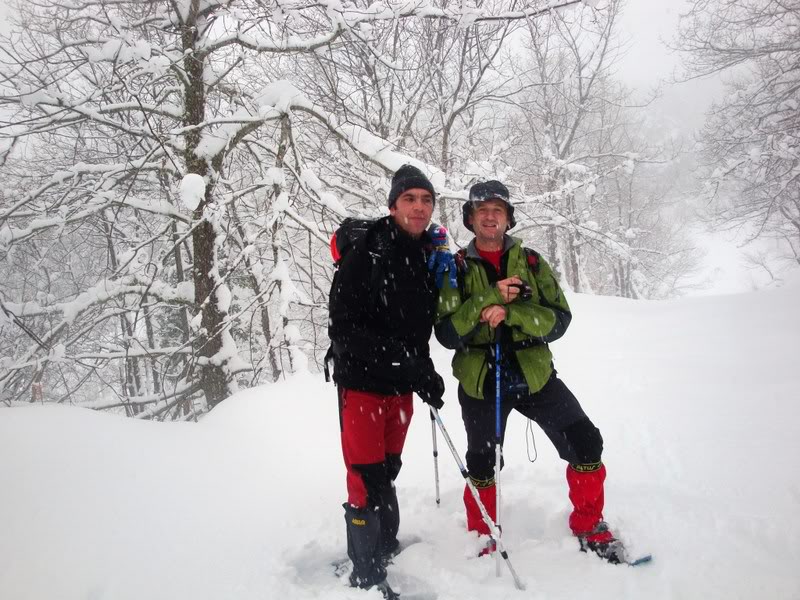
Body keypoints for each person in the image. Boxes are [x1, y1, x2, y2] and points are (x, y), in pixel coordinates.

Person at [435, 180, 625, 564]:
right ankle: (483, 532)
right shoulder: (454, 266)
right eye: (482, 210)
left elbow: (559, 319)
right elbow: (448, 332)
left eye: (498, 210)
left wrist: (513, 313)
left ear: (508, 218)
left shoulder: (533, 263)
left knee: (586, 443)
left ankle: (589, 525)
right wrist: (490, 299)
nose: (490, 216)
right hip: (481, 381)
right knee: (483, 463)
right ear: (470, 218)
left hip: (535, 375)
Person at [328, 165, 447, 598]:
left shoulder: (424, 256)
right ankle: (365, 574)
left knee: (388, 468)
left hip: (399, 389)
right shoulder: (369, 252)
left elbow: (415, 331)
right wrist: (402, 362)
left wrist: (425, 371)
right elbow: (343, 328)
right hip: (362, 384)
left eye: (426, 200)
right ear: (393, 204)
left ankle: (383, 545)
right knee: (365, 475)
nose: (419, 207)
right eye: (410, 199)